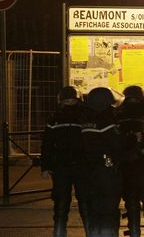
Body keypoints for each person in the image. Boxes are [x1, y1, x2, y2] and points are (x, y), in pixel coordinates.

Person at [40, 86, 89, 237]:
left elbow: (47, 144)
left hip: (62, 166)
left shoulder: (55, 118)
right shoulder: (83, 116)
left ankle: (59, 233)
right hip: (80, 166)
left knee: (62, 206)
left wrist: (45, 166)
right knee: (85, 204)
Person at [117, 85, 144, 237]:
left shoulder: (119, 118)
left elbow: (117, 145)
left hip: (128, 169)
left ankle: (135, 233)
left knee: (132, 207)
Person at [81, 87, 124, 237]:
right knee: (108, 210)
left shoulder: (86, 121)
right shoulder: (108, 121)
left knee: (95, 210)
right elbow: (118, 146)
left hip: (89, 172)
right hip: (107, 172)